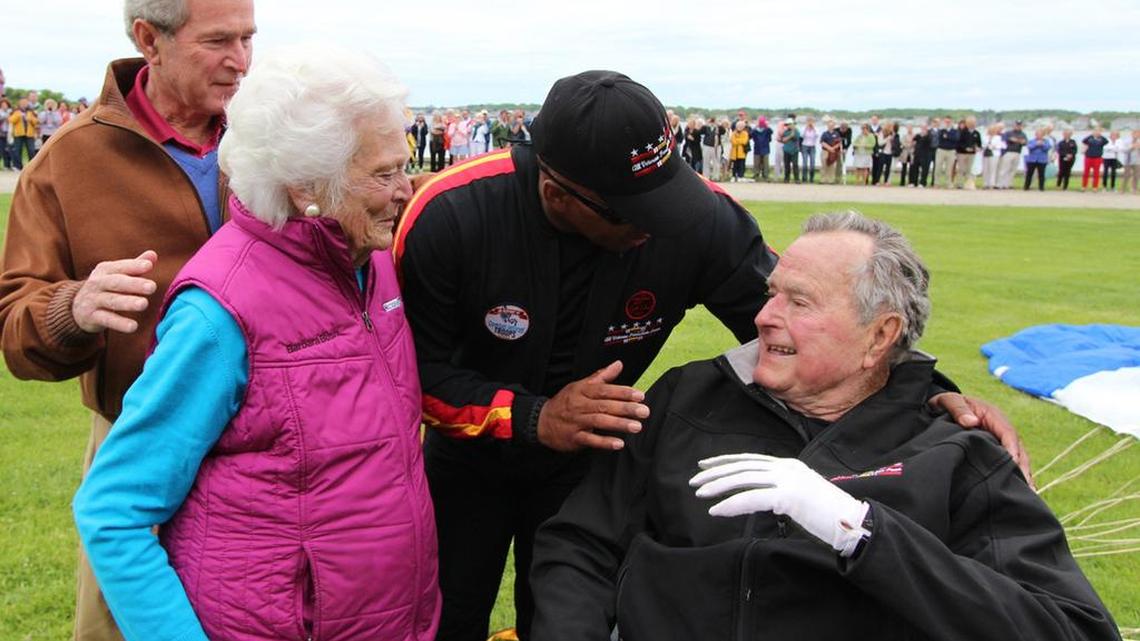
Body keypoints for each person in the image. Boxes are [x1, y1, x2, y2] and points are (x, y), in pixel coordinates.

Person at [393, 71, 1025, 641]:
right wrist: (532, 418)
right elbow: (407, 378)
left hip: (596, 458)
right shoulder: (450, 215)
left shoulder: (695, 219)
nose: (658, 222)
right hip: (468, 456)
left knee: (558, 601)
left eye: (666, 193)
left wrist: (932, 389)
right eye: (635, 213)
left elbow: (805, 331)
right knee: (447, 613)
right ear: (559, 196)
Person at [531, 212, 1118, 641]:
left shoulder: (954, 456)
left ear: (880, 337)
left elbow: (1072, 629)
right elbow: (580, 543)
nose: (763, 317)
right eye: (771, 294)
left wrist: (862, 532)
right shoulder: (688, 398)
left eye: (800, 303)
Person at [73, 47, 440, 641]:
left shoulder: (371, 262)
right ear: (304, 188)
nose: (406, 188)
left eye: (404, 165)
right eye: (383, 173)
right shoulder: (218, 311)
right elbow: (113, 510)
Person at [0, 1, 256, 639]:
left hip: (268, 440)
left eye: (250, 38)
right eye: (219, 41)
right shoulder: (67, 159)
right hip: (142, 441)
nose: (242, 60)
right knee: (123, 621)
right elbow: (14, 323)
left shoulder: (268, 131)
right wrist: (72, 308)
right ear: (150, 39)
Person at [7, 97, 38, 168]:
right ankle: (18, 166)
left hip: (29, 134)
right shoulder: (16, 111)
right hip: (18, 134)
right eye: (22, 102)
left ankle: (31, 167)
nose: (24, 104)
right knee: (17, 151)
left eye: (25, 102)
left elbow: (36, 121)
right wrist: (18, 116)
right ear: (19, 103)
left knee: (31, 150)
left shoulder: (31, 111)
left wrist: (30, 119)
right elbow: (10, 120)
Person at [998, 121, 1027, 189]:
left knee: (1013, 170)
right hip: (1008, 152)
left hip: (1017, 152)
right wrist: (1017, 140)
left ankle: (1009, 184)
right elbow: (1005, 139)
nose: (1018, 127)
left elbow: (1025, 142)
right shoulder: (1009, 133)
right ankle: (1000, 184)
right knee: (1005, 169)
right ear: (1014, 126)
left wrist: (1017, 140)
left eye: (1019, 125)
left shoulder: (1023, 134)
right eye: (1017, 125)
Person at [955, 116, 982, 189]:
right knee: (961, 169)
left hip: (972, 154)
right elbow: (958, 143)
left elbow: (979, 144)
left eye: (973, 123)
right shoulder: (962, 132)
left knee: (969, 169)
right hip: (962, 153)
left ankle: (967, 184)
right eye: (970, 123)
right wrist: (965, 148)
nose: (972, 124)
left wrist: (977, 148)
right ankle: (959, 184)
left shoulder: (977, 133)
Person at [1081, 126, 1109, 191]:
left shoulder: (1101, 140)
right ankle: (1084, 186)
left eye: (1098, 131)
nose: (1096, 132)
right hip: (1088, 157)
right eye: (1095, 131)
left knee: (1096, 173)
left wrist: (1100, 135)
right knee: (1086, 172)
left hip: (1097, 158)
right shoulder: (1089, 139)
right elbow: (1083, 140)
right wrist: (1092, 135)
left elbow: (1106, 141)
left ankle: (1095, 187)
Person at [934, 115, 958, 188]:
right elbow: (941, 138)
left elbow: (955, 138)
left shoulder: (955, 131)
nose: (947, 123)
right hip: (941, 150)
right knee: (938, 167)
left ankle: (948, 183)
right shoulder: (941, 131)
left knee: (949, 168)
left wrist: (947, 136)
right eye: (946, 122)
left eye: (949, 122)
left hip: (951, 151)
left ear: (951, 122)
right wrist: (948, 137)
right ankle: (936, 183)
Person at [909, 123, 934, 187]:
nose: (923, 128)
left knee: (924, 169)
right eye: (922, 127)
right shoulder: (918, 135)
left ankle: (922, 183)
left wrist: (924, 135)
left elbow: (929, 142)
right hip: (917, 154)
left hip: (925, 155)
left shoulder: (929, 135)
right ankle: (914, 182)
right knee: (915, 168)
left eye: (924, 127)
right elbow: (913, 141)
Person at [819, 119, 842, 185]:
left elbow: (839, 143)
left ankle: (831, 180)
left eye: (832, 125)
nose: (831, 126)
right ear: (827, 126)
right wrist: (829, 148)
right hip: (825, 151)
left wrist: (833, 148)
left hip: (833, 152)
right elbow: (822, 142)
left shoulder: (837, 134)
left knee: (832, 166)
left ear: (834, 126)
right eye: (829, 125)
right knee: (824, 165)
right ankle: (823, 180)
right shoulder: (824, 133)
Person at [982, 123, 1005, 189]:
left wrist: (993, 146)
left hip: (994, 154)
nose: (991, 131)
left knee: (993, 169)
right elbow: (983, 145)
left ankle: (992, 183)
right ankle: (985, 183)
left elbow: (1000, 146)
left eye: (993, 130)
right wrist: (987, 145)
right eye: (990, 129)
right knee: (986, 169)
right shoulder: (985, 137)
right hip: (986, 153)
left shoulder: (998, 137)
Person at [749, 116, 772, 181]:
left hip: (765, 149)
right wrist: (755, 127)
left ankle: (765, 175)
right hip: (757, 148)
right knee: (756, 163)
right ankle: (756, 174)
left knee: (765, 163)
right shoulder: (755, 130)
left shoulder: (767, 130)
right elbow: (750, 134)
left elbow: (771, 132)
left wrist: (766, 126)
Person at [779, 117, 800, 183]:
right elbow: (783, 140)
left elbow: (796, 138)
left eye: (789, 124)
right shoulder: (785, 132)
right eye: (787, 124)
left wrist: (792, 133)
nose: (788, 126)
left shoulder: (797, 131)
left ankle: (797, 179)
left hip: (794, 150)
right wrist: (790, 136)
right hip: (786, 150)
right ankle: (786, 178)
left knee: (795, 165)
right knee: (786, 165)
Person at [799, 116, 818, 183]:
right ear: (806, 121)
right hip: (805, 146)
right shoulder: (803, 128)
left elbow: (817, 135)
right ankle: (804, 178)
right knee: (805, 163)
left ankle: (811, 178)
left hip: (812, 146)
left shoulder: (815, 128)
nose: (810, 122)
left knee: (812, 163)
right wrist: (806, 128)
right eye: (808, 121)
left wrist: (813, 128)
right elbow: (802, 136)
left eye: (811, 121)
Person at [0, 97, 12, 170]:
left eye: (6, 104)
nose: (4, 106)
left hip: (9, 133)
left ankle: (8, 165)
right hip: (1, 134)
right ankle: (5, 165)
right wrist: (6, 116)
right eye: (3, 104)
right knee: (3, 149)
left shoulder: (10, 111)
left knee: (9, 149)